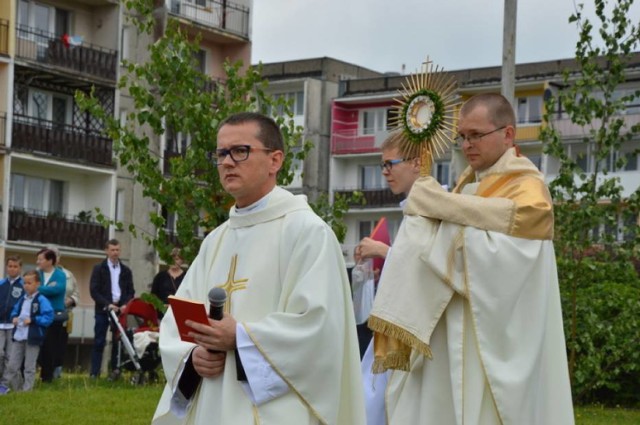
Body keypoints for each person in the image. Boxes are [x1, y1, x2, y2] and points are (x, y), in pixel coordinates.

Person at [367, 93, 574, 424]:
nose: (467, 145)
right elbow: (452, 228)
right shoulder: (467, 184)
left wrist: (438, 215)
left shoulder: (527, 188)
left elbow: (506, 263)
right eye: (462, 137)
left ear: (508, 134)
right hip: (453, 335)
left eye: (476, 135)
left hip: (496, 339)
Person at [153, 112, 365, 425]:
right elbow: (178, 319)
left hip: (275, 410)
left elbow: (320, 329)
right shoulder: (216, 240)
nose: (227, 162)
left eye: (240, 151)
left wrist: (240, 336)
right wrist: (192, 355)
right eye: (221, 153)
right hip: (213, 400)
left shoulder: (307, 232)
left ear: (275, 160)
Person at [354, 135, 421, 357]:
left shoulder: (435, 208)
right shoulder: (411, 208)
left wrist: (382, 251)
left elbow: (431, 268)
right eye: (382, 165)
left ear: (416, 163)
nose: (385, 171)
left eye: (390, 164)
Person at [89, 239, 135, 380]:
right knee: (99, 341)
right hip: (103, 309)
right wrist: (107, 304)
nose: (115, 253)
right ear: (107, 251)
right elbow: (94, 290)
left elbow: (130, 291)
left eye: (117, 250)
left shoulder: (126, 271)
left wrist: (124, 305)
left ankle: (115, 371)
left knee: (118, 342)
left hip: (119, 310)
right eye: (112, 250)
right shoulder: (99, 268)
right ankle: (94, 373)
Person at [2, 270, 54, 392]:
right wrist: (13, 317)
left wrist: (33, 320)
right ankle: (17, 388)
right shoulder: (22, 299)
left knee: (29, 366)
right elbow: (15, 311)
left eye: (29, 283)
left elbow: (48, 317)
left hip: (32, 337)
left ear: (37, 284)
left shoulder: (41, 300)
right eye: (25, 283)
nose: (26, 286)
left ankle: (27, 390)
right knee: (12, 366)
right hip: (19, 336)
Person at [47, 245, 80, 379]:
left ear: (59, 258)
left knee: (60, 343)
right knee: (47, 343)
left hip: (64, 315)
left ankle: (57, 372)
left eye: (56, 256)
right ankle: (45, 372)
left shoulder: (68, 275)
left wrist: (71, 300)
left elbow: (76, 292)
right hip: (47, 314)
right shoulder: (40, 274)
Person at [35, 248, 66, 383]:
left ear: (50, 261)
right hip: (38, 315)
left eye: (41, 259)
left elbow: (57, 289)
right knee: (38, 345)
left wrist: (39, 288)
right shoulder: (37, 274)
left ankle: (47, 377)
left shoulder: (60, 275)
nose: (38, 262)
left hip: (54, 316)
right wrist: (46, 289)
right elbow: (30, 287)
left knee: (50, 346)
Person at [0, 256, 24, 392]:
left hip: (14, 326)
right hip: (0, 324)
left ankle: (8, 385)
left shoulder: (23, 286)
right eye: (10, 266)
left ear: (20, 268)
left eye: (15, 266)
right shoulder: (1, 284)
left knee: (10, 357)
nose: (12, 269)